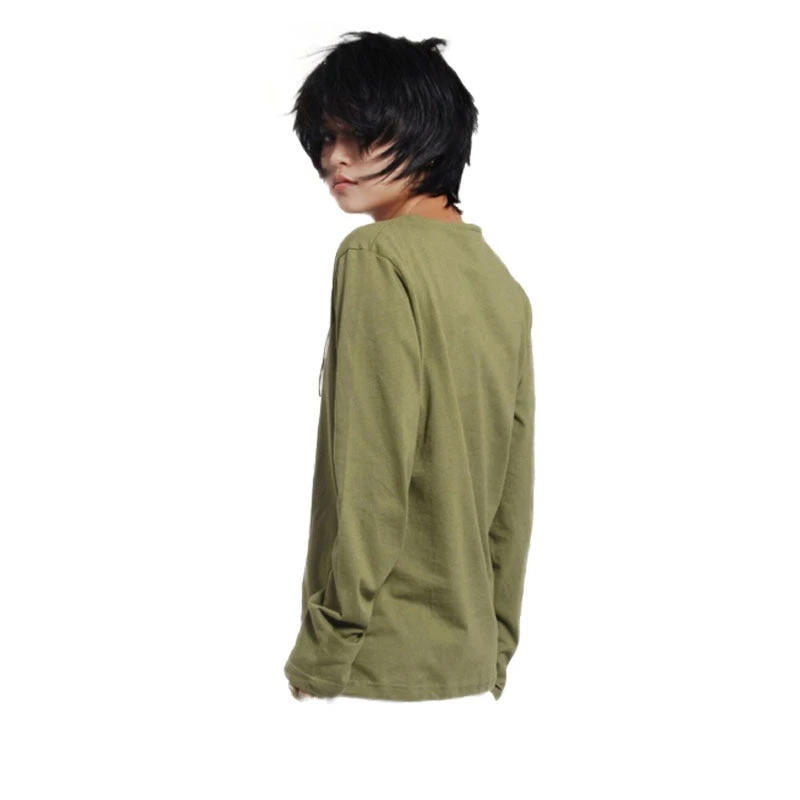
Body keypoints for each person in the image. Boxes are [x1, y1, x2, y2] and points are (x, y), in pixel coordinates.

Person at [283, 31, 535, 703]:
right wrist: (496, 646)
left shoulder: (375, 257)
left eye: (359, 134)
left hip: (374, 667)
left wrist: (326, 648)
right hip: (468, 670)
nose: (334, 157)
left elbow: (372, 473)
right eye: (325, 137)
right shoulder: (500, 283)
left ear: (423, 133)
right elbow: (513, 495)